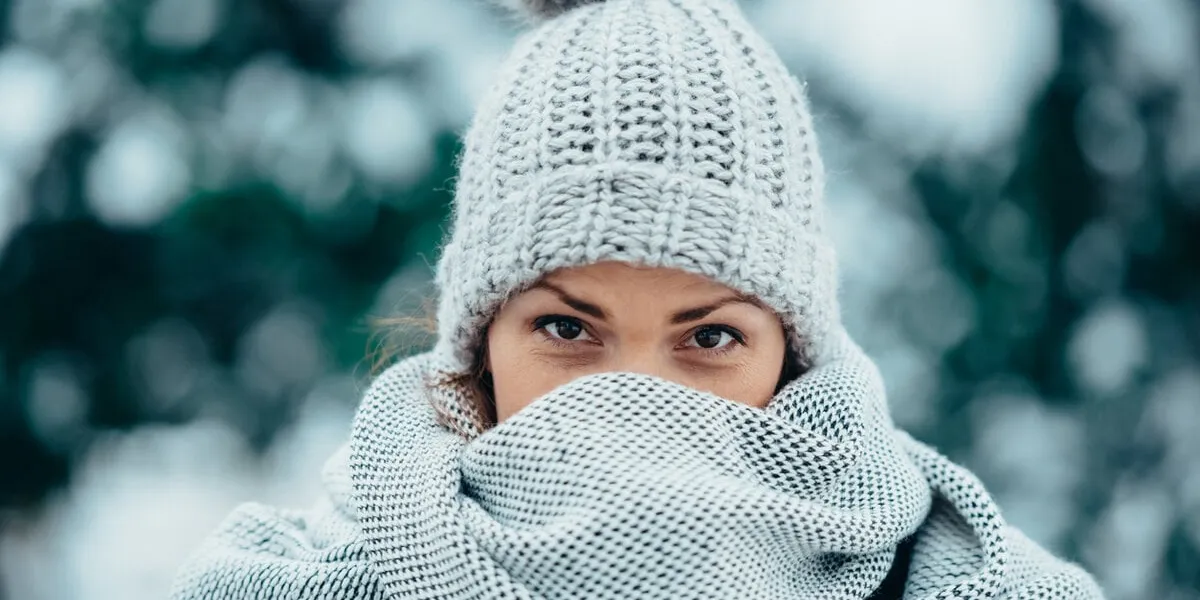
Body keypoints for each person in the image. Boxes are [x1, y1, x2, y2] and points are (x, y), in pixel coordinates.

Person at [169, 0, 1105, 598]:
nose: (633, 395)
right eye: (568, 327)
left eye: (709, 338)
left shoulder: (976, 585)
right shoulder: (285, 583)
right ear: (479, 339)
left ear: (794, 352)